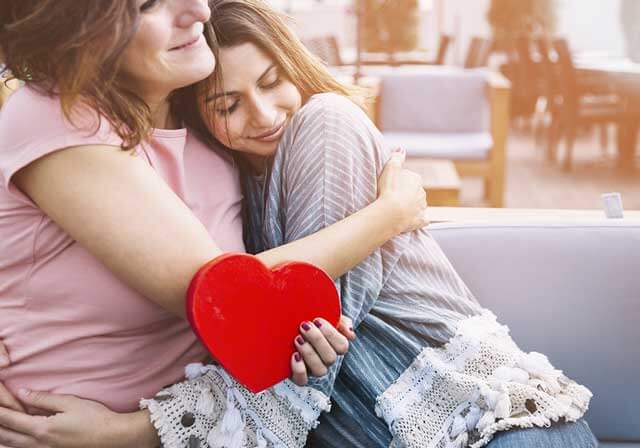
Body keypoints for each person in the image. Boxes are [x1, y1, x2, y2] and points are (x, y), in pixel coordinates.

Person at [0, 0, 429, 446]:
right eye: (149, 4)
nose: (197, 10)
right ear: (80, 32)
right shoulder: (57, 116)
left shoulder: (210, 130)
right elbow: (230, 297)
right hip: (40, 430)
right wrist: (388, 215)